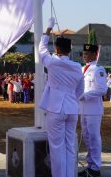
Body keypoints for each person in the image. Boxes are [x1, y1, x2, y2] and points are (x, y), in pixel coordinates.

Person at [39, 17, 84, 177]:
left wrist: (48, 29)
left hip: (56, 109)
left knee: (57, 147)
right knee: (70, 146)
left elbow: (41, 48)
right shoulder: (78, 67)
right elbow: (80, 91)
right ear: (70, 50)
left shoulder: (52, 62)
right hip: (72, 109)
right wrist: (71, 99)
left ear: (57, 49)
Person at [78, 42, 108, 177]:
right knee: (87, 138)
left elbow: (102, 90)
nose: (84, 56)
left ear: (94, 55)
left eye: (87, 54)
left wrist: (84, 96)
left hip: (93, 109)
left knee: (94, 138)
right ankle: (90, 166)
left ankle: (95, 168)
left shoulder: (98, 69)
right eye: (84, 53)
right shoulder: (82, 69)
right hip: (83, 109)